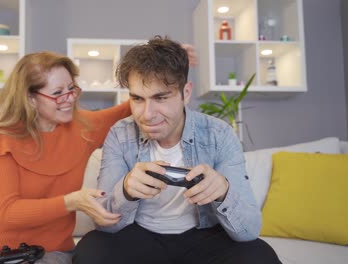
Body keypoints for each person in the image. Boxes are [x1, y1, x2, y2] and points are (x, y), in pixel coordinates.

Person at [0, 47, 196, 263]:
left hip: (49, 250)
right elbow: (7, 215)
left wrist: (164, 65)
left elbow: (134, 104)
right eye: (58, 93)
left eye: (72, 89)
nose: (69, 99)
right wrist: (72, 201)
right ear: (30, 98)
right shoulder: (3, 139)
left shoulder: (83, 128)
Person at [73, 36, 281, 264]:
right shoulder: (120, 134)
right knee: (90, 251)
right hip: (139, 236)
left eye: (160, 97)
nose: (147, 114)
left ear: (186, 93)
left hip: (204, 237)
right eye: (137, 99)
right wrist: (125, 191)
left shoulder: (218, 134)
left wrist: (223, 191)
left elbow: (248, 232)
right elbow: (105, 227)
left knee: (260, 256)